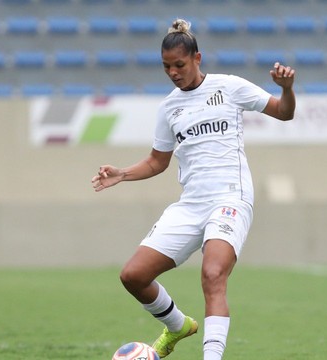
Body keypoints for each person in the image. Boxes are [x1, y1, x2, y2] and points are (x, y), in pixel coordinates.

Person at [91, 19, 295, 359]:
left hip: (231, 197)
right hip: (191, 205)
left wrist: (286, 89)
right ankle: (177, 326)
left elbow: (284, 113)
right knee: (133, 275)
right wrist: (122, 173)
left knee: (213, 273)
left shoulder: (228, 87)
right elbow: (158, 162)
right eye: (166, 66)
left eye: (179, 65)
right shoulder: (169, 107)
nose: (173, 72)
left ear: (197, 58)